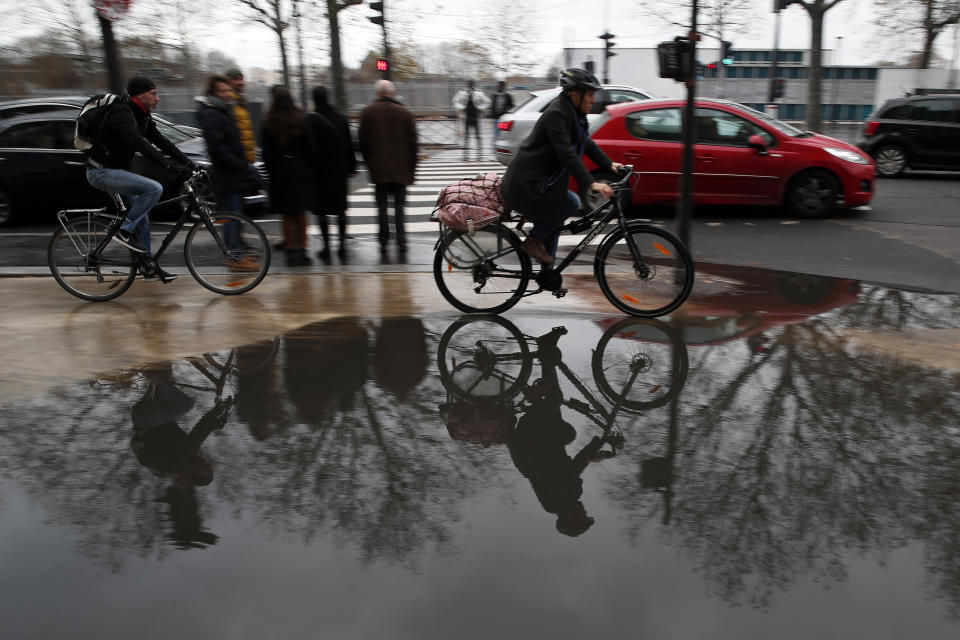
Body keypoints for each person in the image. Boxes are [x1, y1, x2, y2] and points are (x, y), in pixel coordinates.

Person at [501, 68, 623, 265]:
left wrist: (609, 164)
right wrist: (591, 183)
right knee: (571, 203)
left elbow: (586, 143)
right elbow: (567, 154)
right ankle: (533, 242)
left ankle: (547, 272)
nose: (593, 100)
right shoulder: (556, 115)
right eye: (590, 95)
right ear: (575, 94)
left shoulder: (574, 114)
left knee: (555, 217)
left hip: (543, 182)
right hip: (527, 184)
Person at [84, 75, 195, 282]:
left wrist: (189, 163)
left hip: (117, 172)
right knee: (153, 189)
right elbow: (138, 142)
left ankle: (148, 265)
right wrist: (168, 165)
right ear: (139, 95)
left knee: (142, 216)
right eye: (153, 94)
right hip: (100, 171)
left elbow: (162, 141)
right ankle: (124, 231)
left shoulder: (142, 116)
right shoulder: (122, 113)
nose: (158, 98)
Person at [195, 75, 261, 271]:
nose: (226, 94)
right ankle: (234, 258)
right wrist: (240, 164)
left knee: (233, 216)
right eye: (222, 91)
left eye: (227, 90)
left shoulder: (222, 111)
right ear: (213, 93)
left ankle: (236, 255)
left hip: (231, 172)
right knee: (231, 218)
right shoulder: (212, 114)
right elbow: (218, 148)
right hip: (227, 173)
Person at [358, 80, 418, 255]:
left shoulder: (368, 112)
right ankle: (402, 240)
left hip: (378, 168)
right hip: (400, 168)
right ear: (393, 93)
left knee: (382, 206)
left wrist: (369, 162)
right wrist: (411, 168)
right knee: (399, 206)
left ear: (377, 93)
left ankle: (383, 240)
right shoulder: (404, 113)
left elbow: (362, 142)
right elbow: (413, 144)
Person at [262, 86, 314, 267]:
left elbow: (266, 153)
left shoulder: (269, 122)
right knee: (300, 213)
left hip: (280, 172)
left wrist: (273, 169)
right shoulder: (301, 119)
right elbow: (310, 148)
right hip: (300, 171)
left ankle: (291, 250)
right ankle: (303, 250)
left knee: (286, 214)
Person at [308, 86, 356, 262]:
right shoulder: (341, 118)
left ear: (314, 99)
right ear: (328, 97)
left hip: (319, 171)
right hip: (339, 169)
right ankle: (342, 245)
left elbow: (309, 147)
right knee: (340, 209)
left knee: (321, 211)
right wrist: (351, 168)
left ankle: (327, 246)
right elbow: (350, 145)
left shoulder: (311, 120)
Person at [224, 68, 257, 165]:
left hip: (246, 161)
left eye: (241, 79)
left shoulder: (239, 102)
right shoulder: (229, 103)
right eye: (236, 79)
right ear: (228, 81)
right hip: (238, 162)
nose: (241, 82)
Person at [452, 80, 490, 156]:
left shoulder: (479, 92)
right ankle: (465, 154)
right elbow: (455, 101)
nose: (470, 85)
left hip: (475, 116)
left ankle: (479, 153)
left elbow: (487, 101)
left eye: (471, 84)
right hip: (466, 117)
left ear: (474, 85)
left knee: (477, 135)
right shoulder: (462, 92)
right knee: (466, 136)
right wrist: (462, 108)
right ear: (467, 85)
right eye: (469, 84)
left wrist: (480, 108)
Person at [489, 80, 514, 151]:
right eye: (499, 86)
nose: (500, 87)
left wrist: (508, 115)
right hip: (495, 118)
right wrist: (492, 115)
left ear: (504, 87)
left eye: (502, 86)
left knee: (502, 135)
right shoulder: (494, 95)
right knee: (495, 135)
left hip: (503, 119)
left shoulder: (507, 96)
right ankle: (494, 151)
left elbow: (511, 106)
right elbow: (492, 106)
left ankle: (500, 149)